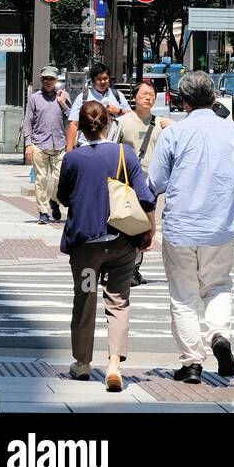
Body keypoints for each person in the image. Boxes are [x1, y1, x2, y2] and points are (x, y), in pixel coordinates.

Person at [148, 70, 234, 384]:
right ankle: (219, 336)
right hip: (219, 228)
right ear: (213, 99)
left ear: (182, 102)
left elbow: (155, 182)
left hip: (180, 227)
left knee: (184, 296)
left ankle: (191, 363)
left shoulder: (173, 134)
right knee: (217, 285)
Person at [56, 101, 156, 392]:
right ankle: (114, 363)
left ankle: (83, 363)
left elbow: (63, 197)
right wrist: (149, 230)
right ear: (108, 125)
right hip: (122, 243)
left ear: (82, 128)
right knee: (118, 300)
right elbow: (146, 198)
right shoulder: (124, 154)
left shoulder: (73, 159)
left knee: (85, 299)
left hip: (86, 246)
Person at [112, 78, 171, 285]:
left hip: (149, 186)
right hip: (126, 184)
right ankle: (122, 268)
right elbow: (111, 149)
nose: (148, 98)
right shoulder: (122, 122)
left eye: (151, 95)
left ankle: (134, 269)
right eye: (143, 94)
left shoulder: (160, 125)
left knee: (144, 228)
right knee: (125, 226)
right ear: (134, 98)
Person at [24, 66, 70, 223]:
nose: (48, 81)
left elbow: (72, 118)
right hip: (39, 144)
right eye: (45, 79)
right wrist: (28, 144)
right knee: (41, 179)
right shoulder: (34, 98)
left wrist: (63, 103)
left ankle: (54, 201)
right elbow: (28, 122)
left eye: (51, 79)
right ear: (41, 80)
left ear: (56, 80)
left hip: (59, 144)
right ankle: (43, 211)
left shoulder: (63, 96)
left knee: (59, 180)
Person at [66, 62, 128, 151]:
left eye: (105, 78)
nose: (102, 82)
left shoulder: (118, 95)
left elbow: (131, 116)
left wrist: (118, 111)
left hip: (112, 148)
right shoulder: (83, 97)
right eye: (99, 79)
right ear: (92, 80)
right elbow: (74, 124)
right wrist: (69, 150)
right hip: (86, 147)